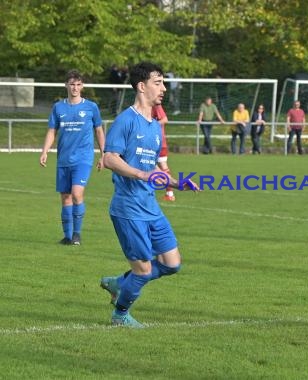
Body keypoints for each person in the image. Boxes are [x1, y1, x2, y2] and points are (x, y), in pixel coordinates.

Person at [99, 61, 200, 328]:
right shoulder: (126, 120)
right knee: (143, 270)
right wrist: (141, 175)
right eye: (158, 82)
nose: (163, 88)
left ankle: (119, 283)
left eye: (163, 82)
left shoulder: (155, 126)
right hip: (128, 208)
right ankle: (120, 315)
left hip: (151, 207)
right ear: (142, 87)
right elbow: (110, 158)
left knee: (172, 263)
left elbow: (151, 166)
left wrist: (176, 183)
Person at [40, 69, 105, 246]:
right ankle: (67, 237)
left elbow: (98, 130)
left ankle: (77, 234)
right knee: (65, 198)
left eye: (78, 84)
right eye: (72, 84)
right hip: (63, 159)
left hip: (83, 159)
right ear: (66, 85)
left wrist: (103, 154)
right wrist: (45, 151)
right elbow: (52, 131)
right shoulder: (58, 107)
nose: (75, 88)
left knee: (77, 194)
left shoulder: (91, 107)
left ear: (82, 86)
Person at [152, 104, 175, 201]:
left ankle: (170, 193)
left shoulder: (155, 105)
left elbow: (165, 119)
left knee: (162, 167)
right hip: (153, 142)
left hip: (158, 142)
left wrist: (151, 125)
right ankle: (169, 193)